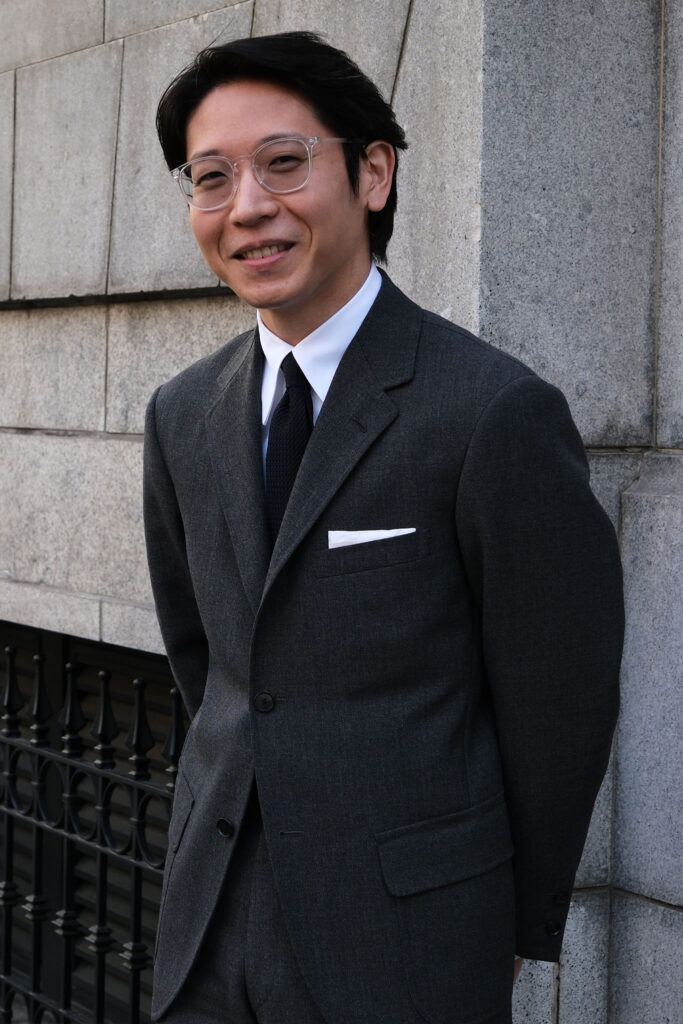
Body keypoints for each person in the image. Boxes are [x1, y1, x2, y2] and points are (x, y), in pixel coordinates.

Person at [143, 31, 623, 1024]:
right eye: (211, 178)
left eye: (283, 162)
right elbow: (210, 661)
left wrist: (501, 927)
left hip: (405, 946)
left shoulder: (491, 412)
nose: (247, 207)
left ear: (371, 173)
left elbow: (557, 705)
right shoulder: (181, 412)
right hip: (206, 932)